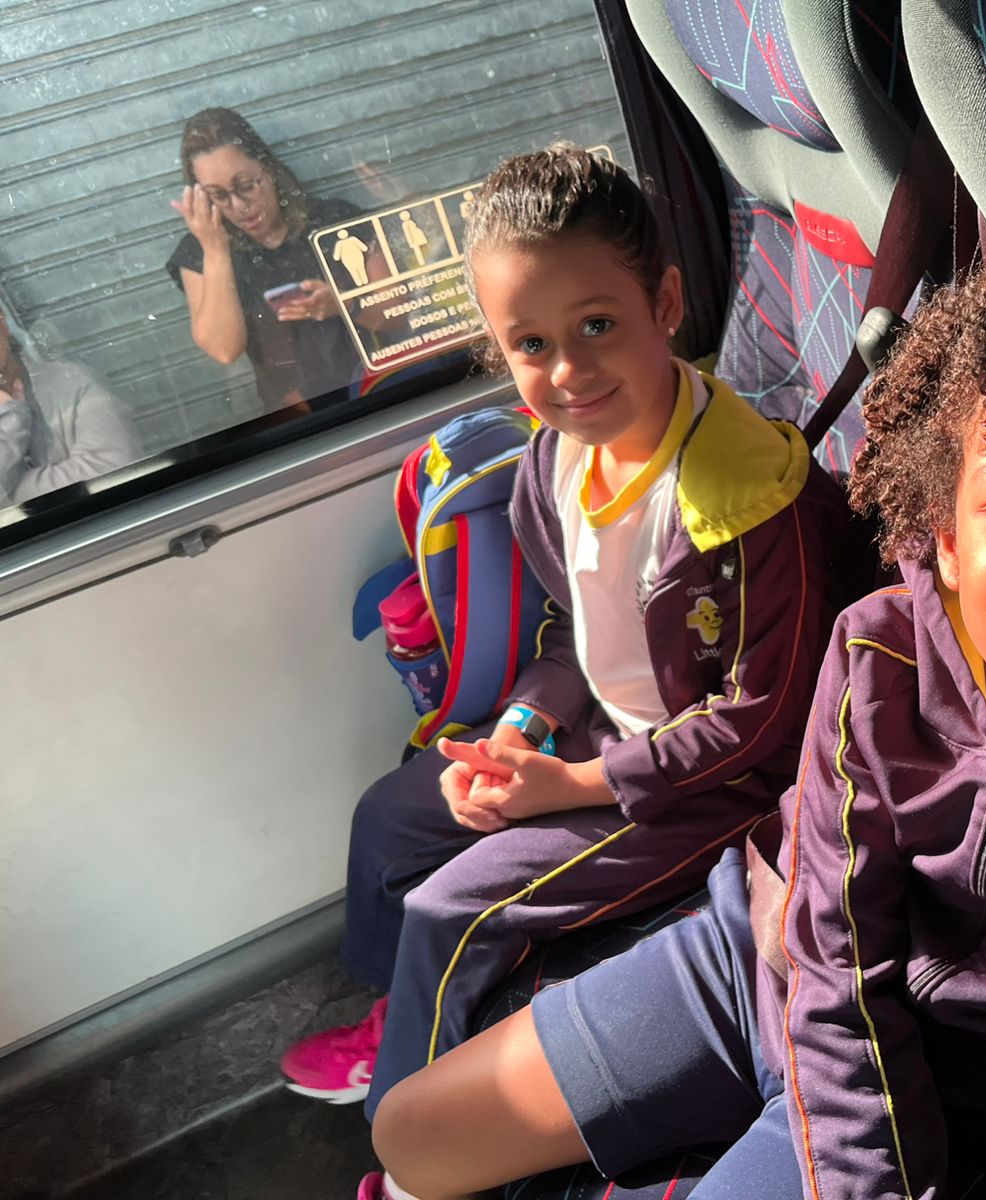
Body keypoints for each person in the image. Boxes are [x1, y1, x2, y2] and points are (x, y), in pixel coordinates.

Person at [368, 236, 986, 1200]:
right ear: (945, 536)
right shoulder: (879, 657)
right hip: (761, 967)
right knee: (413, 1137)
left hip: (978, 1114)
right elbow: (835, 960)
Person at [277, 143, 853, 1185]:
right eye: (532, 345)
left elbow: (762, 721)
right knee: (389, 819)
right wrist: (522, 729)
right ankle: (399, 1013)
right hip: (596, 732)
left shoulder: (750, 501)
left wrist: (575, 785)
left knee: (452, 911)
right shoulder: (553, 460)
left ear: (664, 303)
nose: (570, 373)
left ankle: (410, 1165)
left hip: (704, 784)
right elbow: (572, 632)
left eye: (597, 326)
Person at [166, 107, 363, 413]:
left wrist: (343, 303)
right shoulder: (199, 252)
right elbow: (223, 349)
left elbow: (397, 313)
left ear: (268, 169)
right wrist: (216, 250)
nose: (239, 205)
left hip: (376, 390)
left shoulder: (332, 221)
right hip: (299, 417)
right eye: (218, 195)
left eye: (246, 185)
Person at [0, 306, 139, 507]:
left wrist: (10, 493)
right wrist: (10, 422)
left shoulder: (73, 382)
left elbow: (114, 470)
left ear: (3, 325)